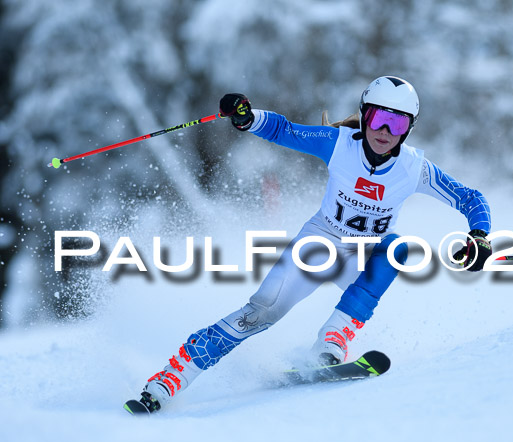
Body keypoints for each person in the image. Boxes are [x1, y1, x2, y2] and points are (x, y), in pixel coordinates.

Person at [134, 76, 492, 413]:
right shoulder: (338, 144)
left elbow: (469, 197)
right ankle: (171, 378)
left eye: (397, 124)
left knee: (396, 248)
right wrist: (246, 117)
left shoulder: (415, 169)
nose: (385, 131)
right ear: (365, 116)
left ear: (408, 128)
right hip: (318, 245)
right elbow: (284, 130)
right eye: (380, 118)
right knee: (258, 314)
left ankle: (331, 342)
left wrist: (479, 236)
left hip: (363, 255)